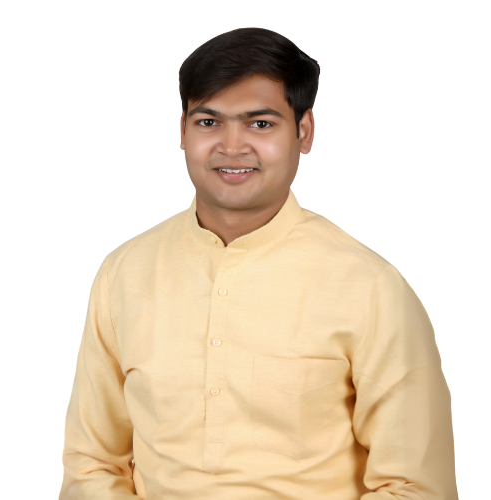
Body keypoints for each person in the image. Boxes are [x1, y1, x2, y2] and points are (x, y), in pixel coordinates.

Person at [59, 27, 459, 499]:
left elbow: (417, 486)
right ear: (182, 130)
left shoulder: (372, 287)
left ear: (305, 132)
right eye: (209, 122)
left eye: (261, 124)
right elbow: (91, 462)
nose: (232, 147)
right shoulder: (124, 273)